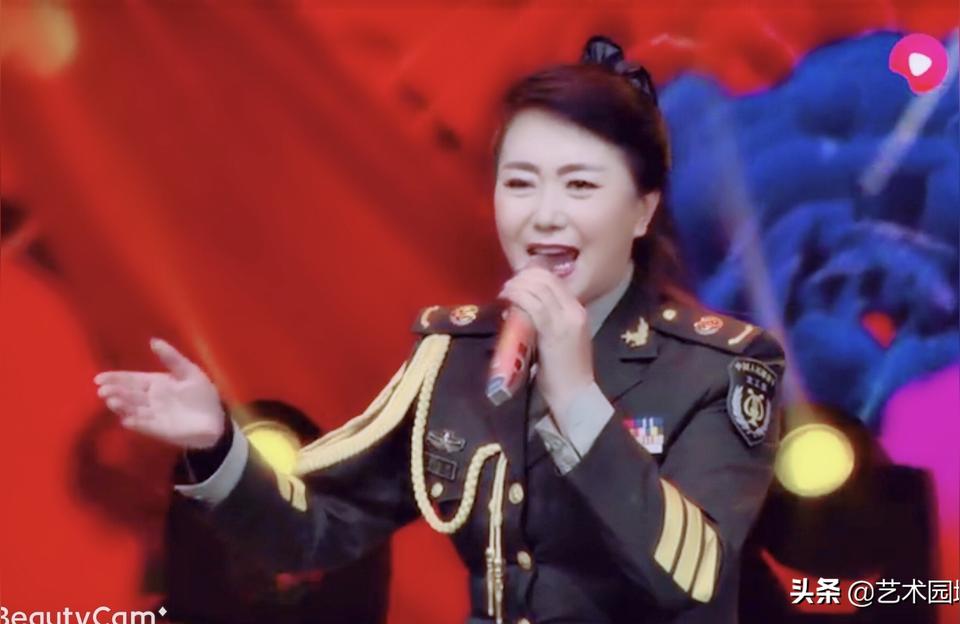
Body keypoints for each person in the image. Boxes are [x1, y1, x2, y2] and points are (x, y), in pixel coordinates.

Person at [94, 36, 786, 624]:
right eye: (520, 183)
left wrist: (578, 400)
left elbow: (693, 575)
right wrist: (217, 444)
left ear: (641, 210)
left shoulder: (720, 367)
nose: (544, 215)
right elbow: (317, 528)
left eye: (579, 186)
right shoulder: (454, 359)